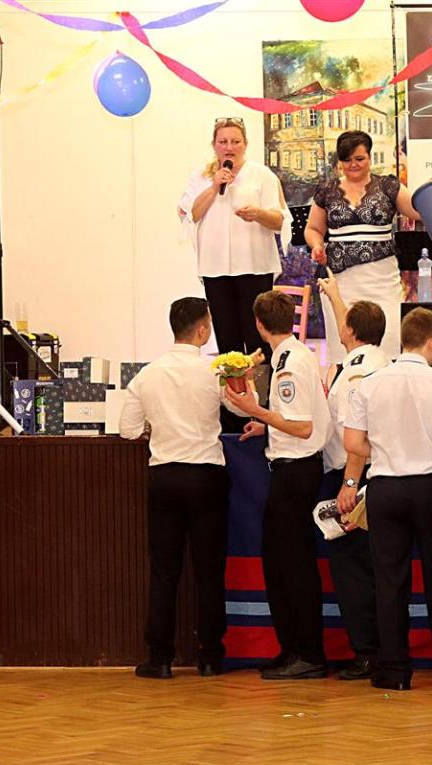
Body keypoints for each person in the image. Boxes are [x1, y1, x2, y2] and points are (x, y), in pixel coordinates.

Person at [342, 308, 432, 690]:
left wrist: (385, 448)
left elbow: (352, 442)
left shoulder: (370, 384)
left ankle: (395, 670)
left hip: (386, 487)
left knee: (389, 581)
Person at [120, 297, 232, 679]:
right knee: (209, 571)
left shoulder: (147, 375)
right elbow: (242, 408)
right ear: (202, 330)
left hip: (165, 477)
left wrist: (155, 427)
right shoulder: (214, 372)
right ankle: (210, 656)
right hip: (206, 476)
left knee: (165, 571)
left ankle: (160, 658)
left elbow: (128, 430)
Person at [223, 290, 332, 680]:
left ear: (259, 324)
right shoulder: (294, 355)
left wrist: (255, 410)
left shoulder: (289, 364)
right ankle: (293, 648)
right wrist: (265, 424)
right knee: (280, 562)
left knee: (293, 565)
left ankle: (308, 653)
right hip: (292, 469)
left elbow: (302, 427)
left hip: (295, 471)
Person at [316, 278, 391, 681]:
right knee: (379, 568)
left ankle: (367, 651)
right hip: (381, 477)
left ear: (350, 331)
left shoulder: (354, 376)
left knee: (353, 571)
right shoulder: (383, 364)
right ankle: (383, 650)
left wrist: (348, 486)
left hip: (355, 479)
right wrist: (336, 296)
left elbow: (355, 438)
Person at [178, 117, 289, 374]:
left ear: (245, 144)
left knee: (258, 338)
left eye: (235, 142)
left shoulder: (261, 175)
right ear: (214, 145)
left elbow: (278, 220)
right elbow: (192, 214)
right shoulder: (200, 176)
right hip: (215, 269)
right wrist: (214, 186)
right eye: (223, 142)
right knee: (227, 341)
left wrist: (258, 214)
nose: (229, 147)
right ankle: (233, 395)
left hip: (255, 267)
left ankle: (262, 393)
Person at [306, 130, 419, 361]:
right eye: (347, 160)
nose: (353, 165)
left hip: (382, 279)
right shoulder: (327, 190)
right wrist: (317, 246)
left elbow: (419, 211)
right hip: (340, 283)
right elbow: (313, 229)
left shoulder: (389, 186)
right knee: (343, 348)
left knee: (388, 342)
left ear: (369, 156)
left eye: (359, 158)